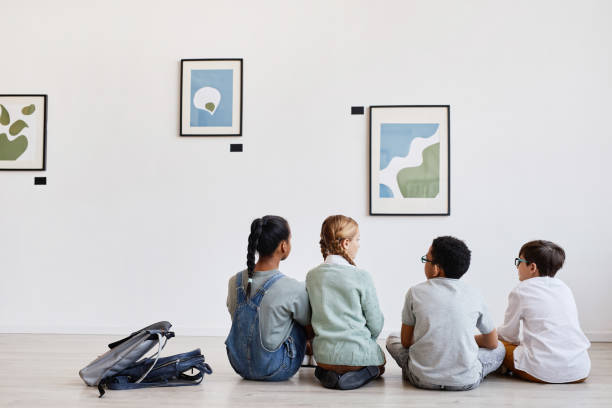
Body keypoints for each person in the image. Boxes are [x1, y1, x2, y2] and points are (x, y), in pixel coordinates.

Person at [386, 236, 505, 390]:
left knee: (392, 338)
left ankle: (414, 369)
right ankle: (469, 370)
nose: (425, 263)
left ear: (436, 269)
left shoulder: (415, 292)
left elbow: (406, 342)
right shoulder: (474, 293)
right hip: (465, 381)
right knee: (500, 348)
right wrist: (465, 340)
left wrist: (431, 338)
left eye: (426, 259)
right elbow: (492, 343)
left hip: (421, 379)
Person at [225, 215, 311, 380]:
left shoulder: (233, 282)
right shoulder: (292, 287)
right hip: (278, 368)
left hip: (240, 365)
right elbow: (310, 328)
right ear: (283, 246)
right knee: (300, 318)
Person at [306, 215, 385, 390]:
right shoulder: (361, 276)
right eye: (357, 239)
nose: (359, 244)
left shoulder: (312, 276)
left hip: (324, 356)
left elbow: (309, 316)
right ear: (346, 243)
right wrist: (367, 339)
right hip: (357, 356)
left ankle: (328, 374)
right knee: (381, 364)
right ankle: (359, 375)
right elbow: (375, 324)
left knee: (330, 362)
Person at [497, 240, 590, 383]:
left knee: (498, 345)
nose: (517, 267)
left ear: (532, 267)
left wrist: (489, 335)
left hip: (543, 372)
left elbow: (509, 336)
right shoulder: (564, 288)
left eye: (519, 261)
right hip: (580, 370)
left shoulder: (521, 290)